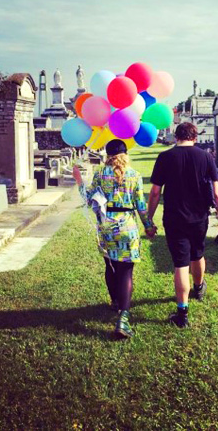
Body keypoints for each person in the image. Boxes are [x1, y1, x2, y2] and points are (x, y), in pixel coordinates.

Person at [147, 122, 218, 328]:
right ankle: (199, 287)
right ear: (195, 137)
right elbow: (217, 193)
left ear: (177, 137)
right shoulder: (206, 157)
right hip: (199, 217)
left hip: (174, 218)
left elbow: (155, 192)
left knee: (181, 264)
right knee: (197, 254)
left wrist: (149, 219)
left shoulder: (165, 157)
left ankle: (182, 313)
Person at [73, 139, 156, 338]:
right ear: (125, 154)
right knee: (125, 272)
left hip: (106, 227)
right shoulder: (134, 175)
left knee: (110, 266)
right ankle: (123, 319)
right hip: (127, 228)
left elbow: (88, 198)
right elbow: (141, 206)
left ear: (108, 155)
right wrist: (148, 226)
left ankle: (115, 302)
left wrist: (79, 180)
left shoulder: (100, 174)